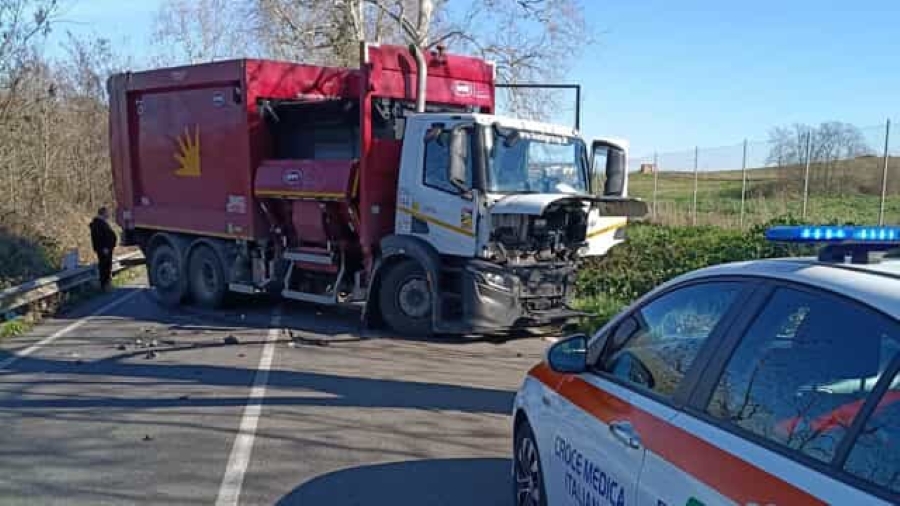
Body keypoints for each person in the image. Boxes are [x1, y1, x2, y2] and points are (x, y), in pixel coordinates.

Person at [89, 207, 118, 290]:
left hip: (107, 249)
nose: (108, 214)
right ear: (103, 213)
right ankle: (105, 285)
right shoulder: (98, 224)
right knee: (104, 266)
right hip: (104, 249)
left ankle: (106, 284)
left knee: (107, 266)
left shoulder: (102, 223)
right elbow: (98, 238)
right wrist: (103, 248)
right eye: (107, 213)